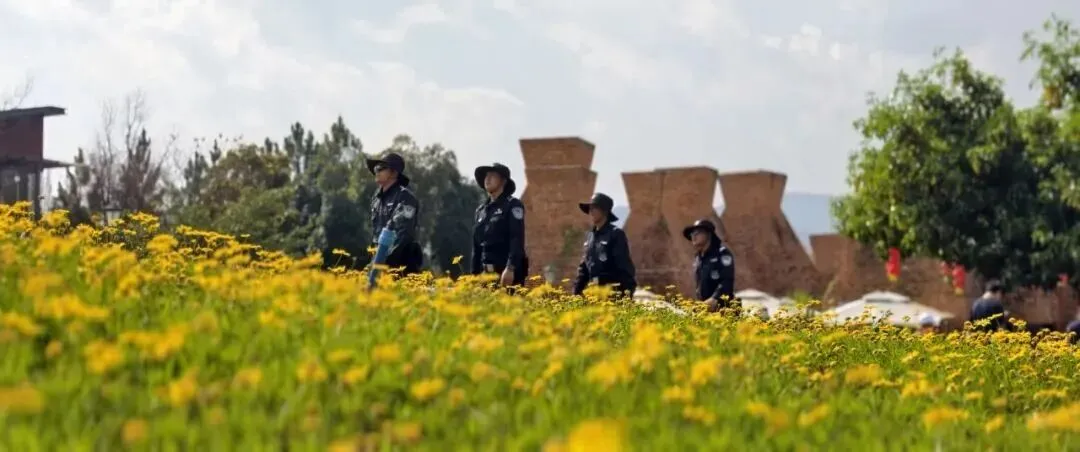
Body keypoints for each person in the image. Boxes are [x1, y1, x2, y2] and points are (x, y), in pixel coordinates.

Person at [471, 163, 528, 286]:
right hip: (485, 274)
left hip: (506, 272)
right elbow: (476, 247)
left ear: (503, 181)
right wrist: (473, 276)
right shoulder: (481, 210)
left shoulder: (513, 205)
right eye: (486, 176)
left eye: (492, 176)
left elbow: (516, 239)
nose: (488, 179)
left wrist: (510, 268)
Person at [366, 152, 423, 276]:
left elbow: (403, 235)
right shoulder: (376, 199)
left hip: (400, 267)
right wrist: (374, 263)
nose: (377, 171)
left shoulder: (406, 198)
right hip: (378, 263)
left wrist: (384, 264)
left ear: (393, 173)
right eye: (376, 168)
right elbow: (376, 235)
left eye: (381, 168)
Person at [572, 193, 636, 298]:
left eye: (594, 208)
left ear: (604, 211)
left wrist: (626, 297)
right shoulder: (590, 236)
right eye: (590, 209)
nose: (591, 212)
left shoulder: (615, 234)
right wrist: (576, 294)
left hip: (613, 294)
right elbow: (584, 270)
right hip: (594, 294)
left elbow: (625, 268)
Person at [682, 219, 735, 313]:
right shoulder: (698, 258)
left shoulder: (722, 253)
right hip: (705, 309)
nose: (693, 236)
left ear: (708, 234)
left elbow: (727, 281)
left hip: (724, 309)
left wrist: (714, 298)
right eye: (692, 234)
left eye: (697, 232)